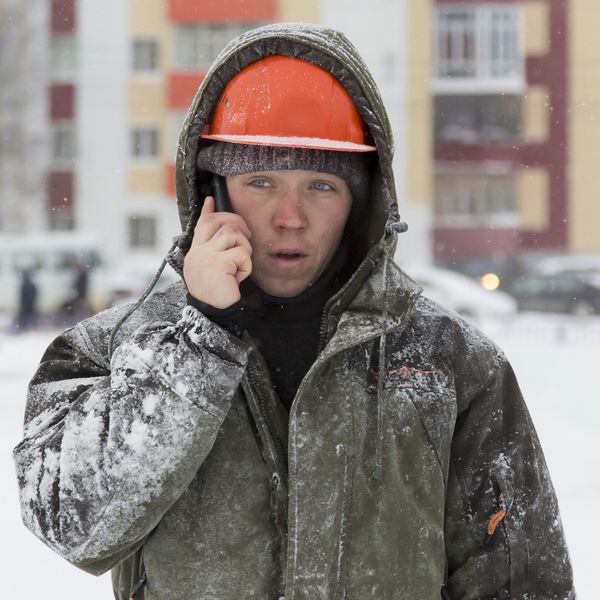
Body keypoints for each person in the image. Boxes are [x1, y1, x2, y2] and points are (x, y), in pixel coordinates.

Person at [14, 23, 574, 599]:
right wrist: (200, 342)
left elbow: (520, 581)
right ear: (215, 193)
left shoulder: (449, 363)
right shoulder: (118, 348)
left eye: (321, 187)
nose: (291, 217)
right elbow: (71, 525)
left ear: (361, 200)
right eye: (261, 181)